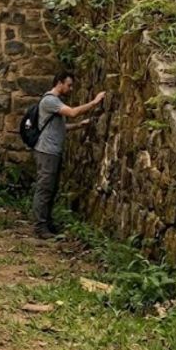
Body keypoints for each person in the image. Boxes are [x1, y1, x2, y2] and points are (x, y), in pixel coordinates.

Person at [32, 72, 105, 239]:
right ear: (59, 83)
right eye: (69, 85)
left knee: (51, 189)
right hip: (46, 151)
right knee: (44, 189)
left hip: (52, 151)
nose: (71, 89)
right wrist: (95, 102)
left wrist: (79, 126)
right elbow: (72, 112)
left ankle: (47, 223)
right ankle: (40, 226)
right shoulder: (50, 100)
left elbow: (59, 128)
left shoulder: (56, 102)